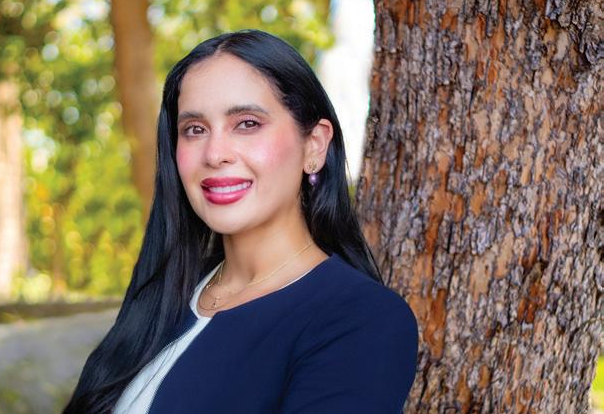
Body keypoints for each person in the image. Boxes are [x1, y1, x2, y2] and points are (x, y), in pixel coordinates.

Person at [62, 29, 418, 414]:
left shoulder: (361, 319)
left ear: (314, 145)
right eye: (195, 130)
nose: (214, 153)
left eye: (247, 123)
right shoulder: (167, 292)